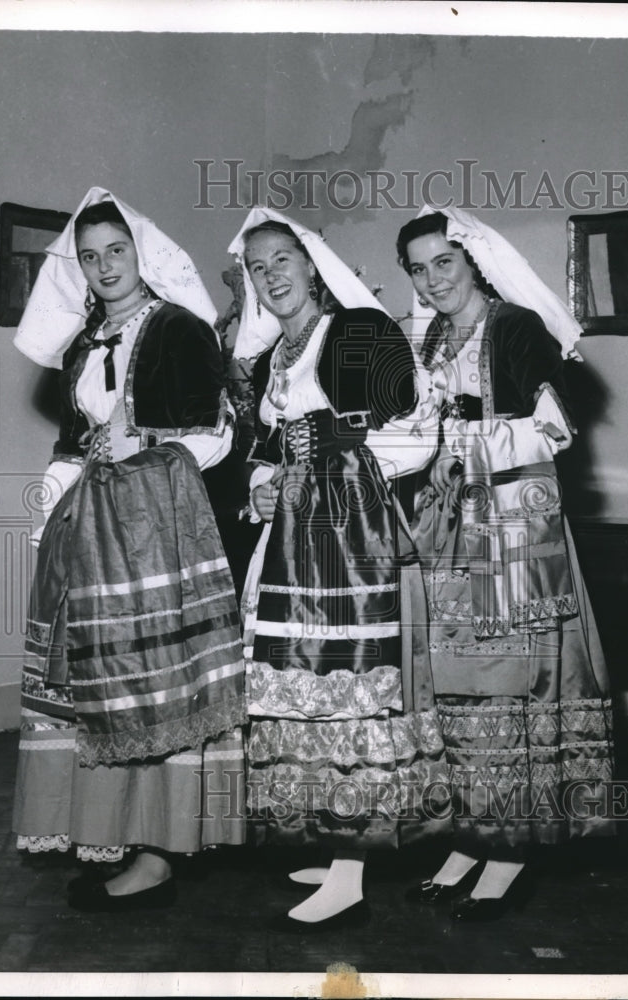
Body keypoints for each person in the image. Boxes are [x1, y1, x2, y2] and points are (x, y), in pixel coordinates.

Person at [11, 188, 246, 911]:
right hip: (88, 527)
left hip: (155, 528)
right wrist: (50, 505)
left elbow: (219, 433)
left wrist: (144, 445)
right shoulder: (84, 340)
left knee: (149, 680)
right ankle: (111, 834)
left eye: (116, 250)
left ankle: (157, 853)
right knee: (92, 683)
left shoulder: (177, 329)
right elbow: (72, 440)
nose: (105, 265)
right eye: (90, 256)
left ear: (140, 252)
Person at [229, 207, 447, 930]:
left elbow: (415, 432)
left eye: (281, 258)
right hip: (290, 546)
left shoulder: (354, 331)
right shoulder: (272, 359)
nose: (270, 275)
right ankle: (329, 840)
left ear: (311, 262)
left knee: (347, 689)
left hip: (344, 548)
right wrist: (263, 487)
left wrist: (331, 473)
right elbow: (264, 446)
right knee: (300, 689)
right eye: (257, 267)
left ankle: (352, 869)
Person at [395, 206, 615, 921]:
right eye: (418, 269)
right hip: (447, 531)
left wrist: (466, 435)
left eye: (443, 264)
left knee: (509, 686)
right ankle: (471, 833)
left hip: (514, 529)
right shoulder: (427, 336)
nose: (431, 282)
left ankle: (510, 847)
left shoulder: (514, 326)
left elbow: (553, 428)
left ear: (472, 263)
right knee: (452, 688)